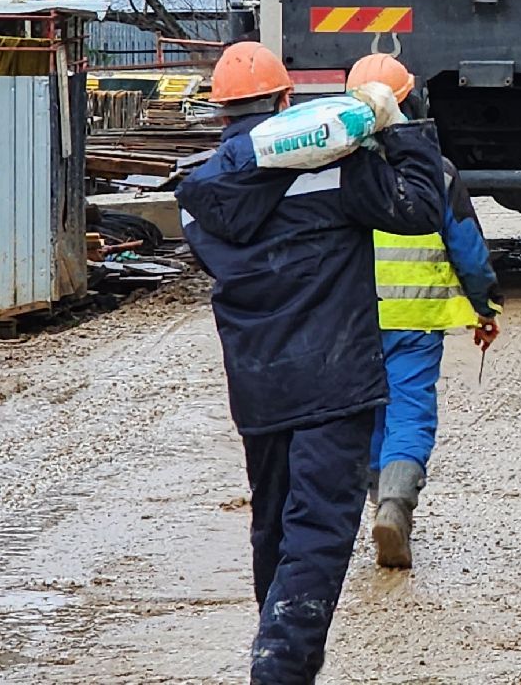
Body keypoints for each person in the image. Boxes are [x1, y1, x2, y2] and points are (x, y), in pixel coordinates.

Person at [178, 42, 448, 685]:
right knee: (318, 536)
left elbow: (232, 247)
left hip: (258, 388)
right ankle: (279, 671)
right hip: (335, 383)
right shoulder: (338, 173)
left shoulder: (196, 195)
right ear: (284, 102)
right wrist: (398, 127)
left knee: (273, 528)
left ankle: (280, 655)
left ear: (222, 113)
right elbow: (420, 208)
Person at [344, 53, 503, 570]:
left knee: (368, 411)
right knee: (409, 409)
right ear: (409, 101)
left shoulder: (335, 168)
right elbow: (468, 248)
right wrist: (485, 305)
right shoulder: (436, 171)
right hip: (416, 321)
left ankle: (376, 505)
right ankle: (395, 505)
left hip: (353, 319)